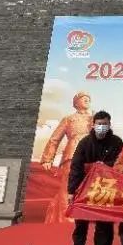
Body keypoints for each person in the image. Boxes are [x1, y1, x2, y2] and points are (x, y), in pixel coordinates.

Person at [62, 111, 123, 245]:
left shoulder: (116, 142)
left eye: (105, 124)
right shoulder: (85, 142)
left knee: (103, 224)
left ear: (109, 125)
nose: (102, 127)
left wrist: (104, 165)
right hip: (84, 189)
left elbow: (120, 163)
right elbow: (76, 166)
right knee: (80, 224)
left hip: (105, 188)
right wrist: (71, 191)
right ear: (93, 125)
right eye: (99, 124)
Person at [40, 91, 93, 223]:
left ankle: (88, 217)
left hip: (91, 156)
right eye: (83, 98)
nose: (86, 100)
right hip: (72, 155)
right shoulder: (68, 119)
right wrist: (47, 158)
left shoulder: (95, 118)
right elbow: (55, 139)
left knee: (90, 186)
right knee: (68, 187)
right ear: (76, 103)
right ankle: (66, 218)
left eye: (88, 98)